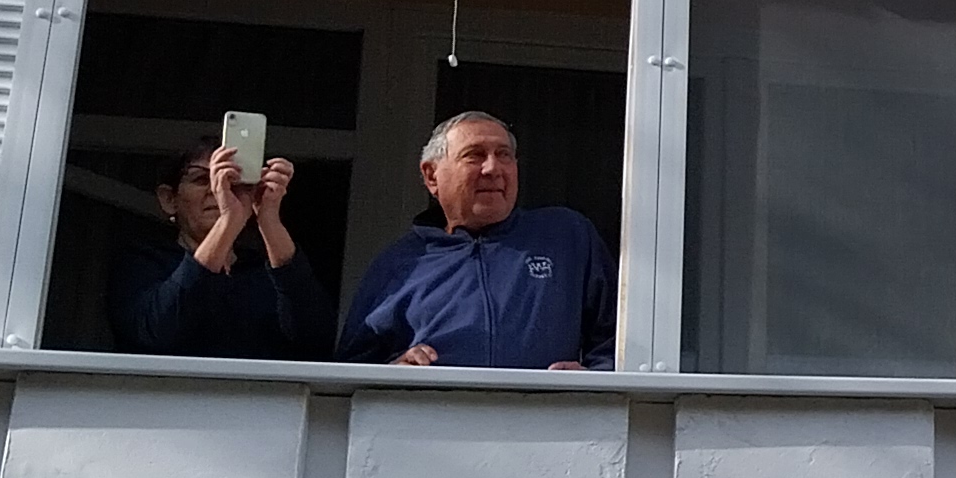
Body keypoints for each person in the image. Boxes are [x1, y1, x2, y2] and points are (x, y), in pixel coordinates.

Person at [336, 112, 616, 369]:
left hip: (552, 407)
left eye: (504, 155)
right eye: (474, 155)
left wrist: (593, 380)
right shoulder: (400, 263)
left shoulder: (564, 235)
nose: (493, 168)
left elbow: (621, 335)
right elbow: (351, 371)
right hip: (435, 408)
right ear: (432, 176)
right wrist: (396, 369)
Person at [111, 135, 328, 359]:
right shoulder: (143, 261)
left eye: (232, 181)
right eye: (201, 179)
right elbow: (157, 334)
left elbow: (316, 341)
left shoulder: (261, 270)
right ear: (169, 199)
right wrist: (229, 221)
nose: (217, 189)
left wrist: (269, 219)